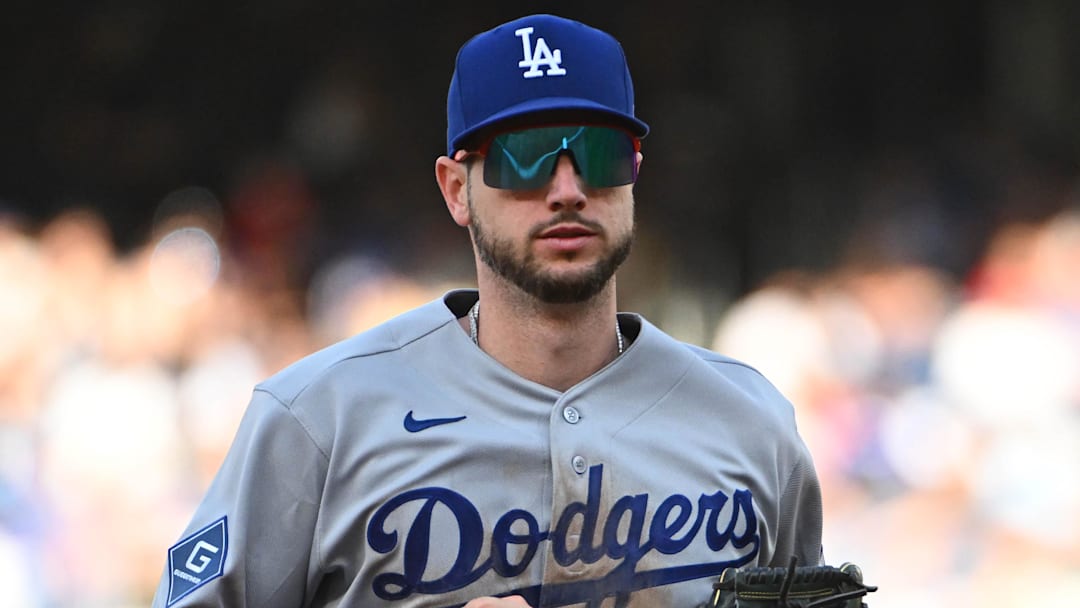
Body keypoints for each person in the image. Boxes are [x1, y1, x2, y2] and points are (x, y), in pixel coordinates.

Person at [152, 14, 823, 608]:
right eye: (521, 157)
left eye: (598, 152)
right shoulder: (316, 419)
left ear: (634, 170)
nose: (567, 189)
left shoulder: (751, 422)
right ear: (456, 189)